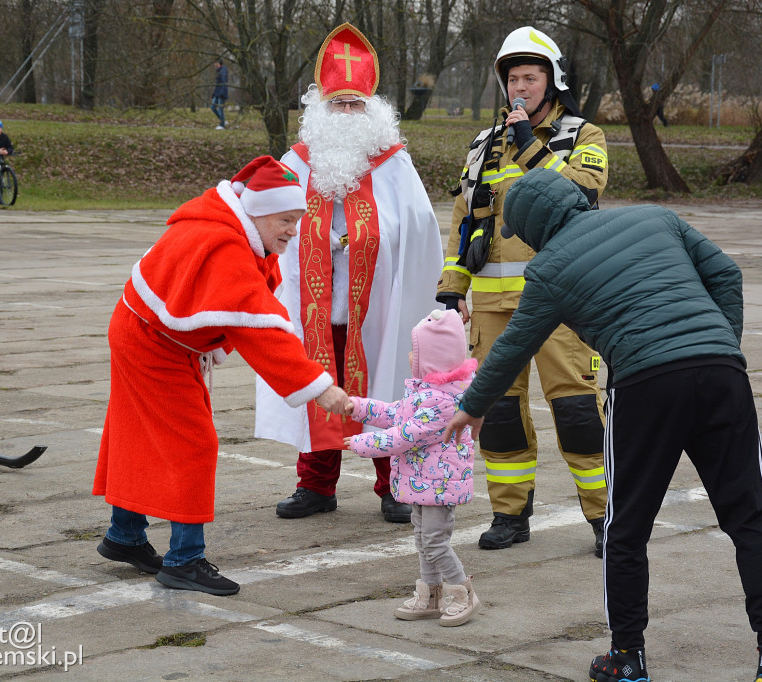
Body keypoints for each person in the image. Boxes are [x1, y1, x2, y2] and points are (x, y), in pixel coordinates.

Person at [443, 169, 762, 682]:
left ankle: (627, 658)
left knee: (627, 531)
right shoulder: (656, 217)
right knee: (750, 517)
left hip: (644, 385)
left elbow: (511, 349)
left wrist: (472, 406)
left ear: (532, 230)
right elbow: (727, 275)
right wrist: (722, 348)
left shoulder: (548, 270)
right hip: (722, 373)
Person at [93, 156, 350, 596]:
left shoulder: (229, 225)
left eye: (296, 220)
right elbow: (261, 329)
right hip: (151, 342)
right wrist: (320, 388)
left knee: (139, 431)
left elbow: (256, 306)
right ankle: (184, 561)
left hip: (143, 330)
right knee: (193, 443)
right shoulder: (225, 245)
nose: (293, 229)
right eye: (286, 220)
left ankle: (125, 536)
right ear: (256, 211)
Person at [255, 23, 445, 524]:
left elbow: (420, 227)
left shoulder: (393, 164)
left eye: (353, 105)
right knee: (314, 384)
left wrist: (369, 241)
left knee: (382, 389)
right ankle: (316, 485)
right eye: (336, 104)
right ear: (319, 109)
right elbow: (265, 219)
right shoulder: (295, 163)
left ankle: (392, 485)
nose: (344, 114)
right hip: (314, 307)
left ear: (371, 110)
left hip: (376, 307)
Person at [435, 25, 609, 554]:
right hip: (493, 306)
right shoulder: (482, 146)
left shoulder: (584, 136)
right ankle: (510, 515)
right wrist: (451, 286)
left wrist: (531, 146)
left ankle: (607, 518)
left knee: (578, 415)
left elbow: (582, 190)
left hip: (564, 302)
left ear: (551, 81)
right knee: (501, 418)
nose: (520, 88)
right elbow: (465, 219)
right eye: (512, 79)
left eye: (530, 78)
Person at [342, 309, 480, 627]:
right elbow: (395, 413)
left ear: (433, 360)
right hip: (424, 482)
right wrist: (360, 407)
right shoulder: (423, 392)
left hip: (439, 485)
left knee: (434, 540)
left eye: (415, 352)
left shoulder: (442, 402)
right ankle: (430, 594)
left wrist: (361, 444)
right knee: (422, 537)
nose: (409, 356)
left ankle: (463, 592)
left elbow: (404, 436)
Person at [211, 60, 228, 130]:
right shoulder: (219, 71)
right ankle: (223, 120)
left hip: (222, 93)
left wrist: (222, 93)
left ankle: (222, 125)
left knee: (220, 109)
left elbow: (223, 83)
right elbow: (217, 85)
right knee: (213, 107)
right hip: (217, 93)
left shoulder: (223, 71)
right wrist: (214, 93)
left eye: (216, 64)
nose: (215, 65)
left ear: (220, 64)